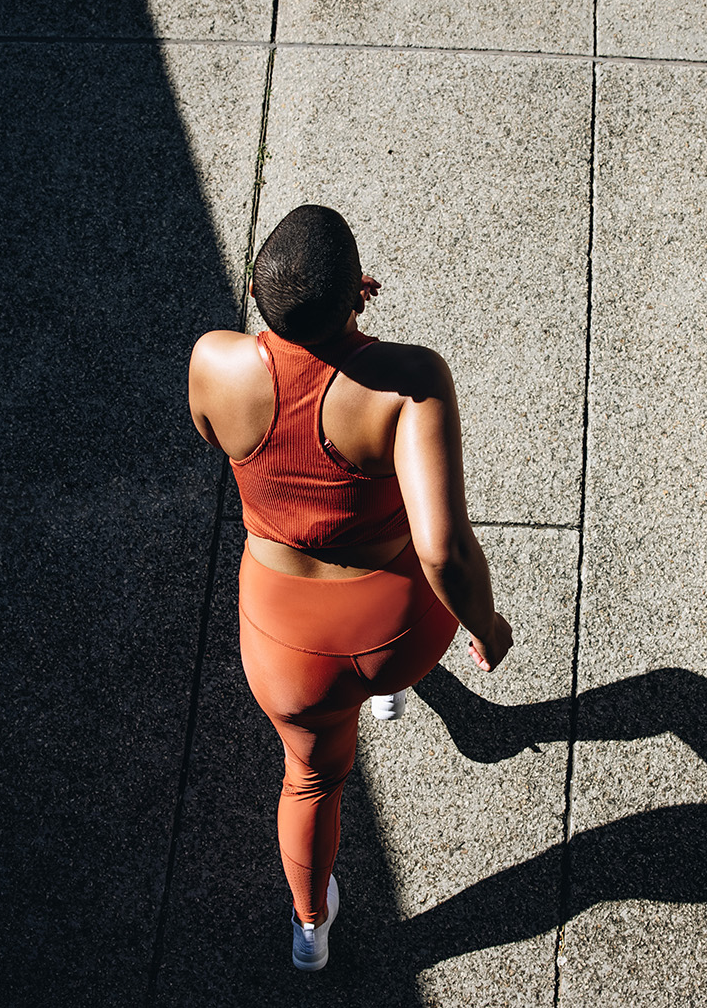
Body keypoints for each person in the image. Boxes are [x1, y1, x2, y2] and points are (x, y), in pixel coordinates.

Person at [186, 205, 515, 970]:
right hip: (395, 631)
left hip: (285, 644)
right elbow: (444, 552)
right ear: (358, 295)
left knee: (310, 781)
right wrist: (487, 625)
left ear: (252, 289)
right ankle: (389, 692)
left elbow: (216, 434)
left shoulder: (211, 361)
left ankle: (310, 927)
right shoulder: (408, 381)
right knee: (388, 644)